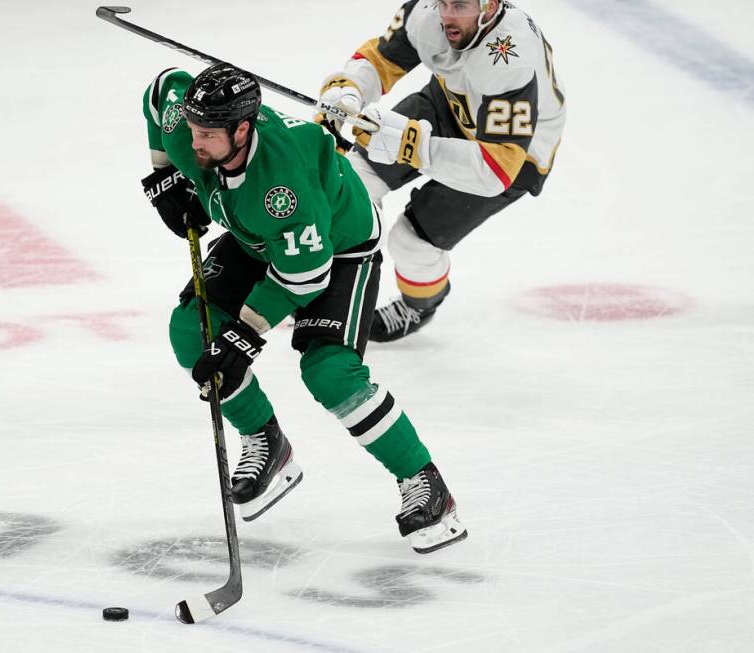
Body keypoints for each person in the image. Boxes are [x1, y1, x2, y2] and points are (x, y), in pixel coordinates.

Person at [139, 62, 467, 554]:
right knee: (191, 331)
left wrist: (243, 335)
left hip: (337, 249)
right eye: (191, 130)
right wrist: (163, 175)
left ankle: (426, 485)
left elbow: (302, 276)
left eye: (206, 134)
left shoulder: (283, 188)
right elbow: (161, 88)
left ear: (243, 129)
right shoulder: (196, 127)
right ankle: (268, 444)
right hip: (257, 239)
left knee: (329, 372)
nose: (195, 142)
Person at [317, 0, 566, 341]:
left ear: (490, 5)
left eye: (460, 5)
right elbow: (380, 59)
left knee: (411, 243)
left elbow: (496, 170)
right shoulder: (426, 13)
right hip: (449, 104)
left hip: (512, 156)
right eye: (443, 2)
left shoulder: (511, 58)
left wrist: (414, 146)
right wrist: (349, 91)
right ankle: (316, 276)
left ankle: (418, 306)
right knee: (353, 180)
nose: (447, 15)